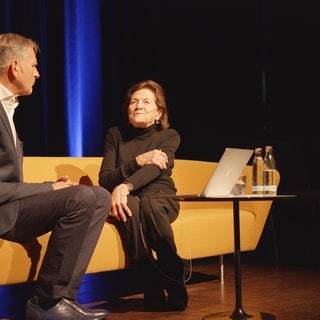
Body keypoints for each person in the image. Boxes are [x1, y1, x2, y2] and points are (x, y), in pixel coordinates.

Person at [0, 32, 111, 320]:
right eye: (34, 66)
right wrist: (47, 188)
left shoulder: (7, 107)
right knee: (81, 196)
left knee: (99, 196)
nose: (37, 73)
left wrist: (49, 189)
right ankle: (46, 303)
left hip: (12, 205)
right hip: (3, 211)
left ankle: (62, 299)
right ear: (15, 67)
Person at [98, 79, 189, 311]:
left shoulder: (169, 136)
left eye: (146, 102)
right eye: (133, 101)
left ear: (158, 112)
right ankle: (151, 285)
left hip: (161, 196)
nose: (137, 105)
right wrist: (137, 161)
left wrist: (125, 184)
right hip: (126, 198)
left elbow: (155, 168)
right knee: (129, 206)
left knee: (148, 203)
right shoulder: (115, 134)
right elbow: (106, 178)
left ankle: (174, 276)